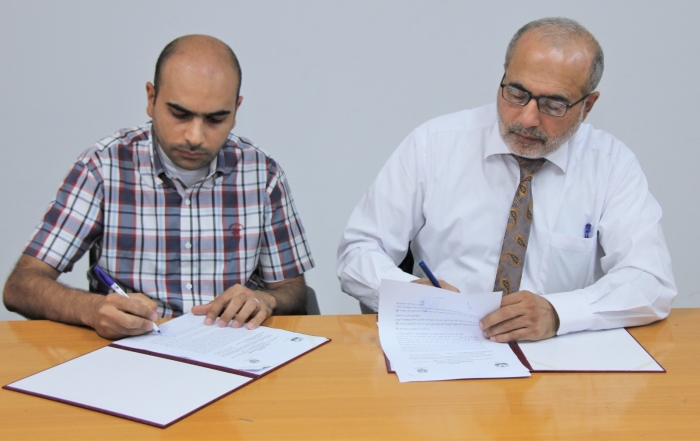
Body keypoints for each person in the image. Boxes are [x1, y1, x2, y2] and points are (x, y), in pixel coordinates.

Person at [336, 17, 676, 342]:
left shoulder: (611, 165)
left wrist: (559, 313)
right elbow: (359, 250)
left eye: (553, 104)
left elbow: (651, 281)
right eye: (516, 93)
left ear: (587, 106)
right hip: (446, 343)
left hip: (559, 355)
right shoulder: (433, 145)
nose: (527, 119)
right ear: (504, 75)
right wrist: (410, 293)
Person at [3, 35, 314, 339]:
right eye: (180, 114)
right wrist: (92, 308)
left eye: (216, 119)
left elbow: (293, 291)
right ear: (151, 99)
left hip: (233, 348)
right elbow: (21, 286)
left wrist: (266, 300)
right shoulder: (104, 167)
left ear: (236, 110)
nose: (195, 136)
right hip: (134, 349)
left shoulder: (262, 173)